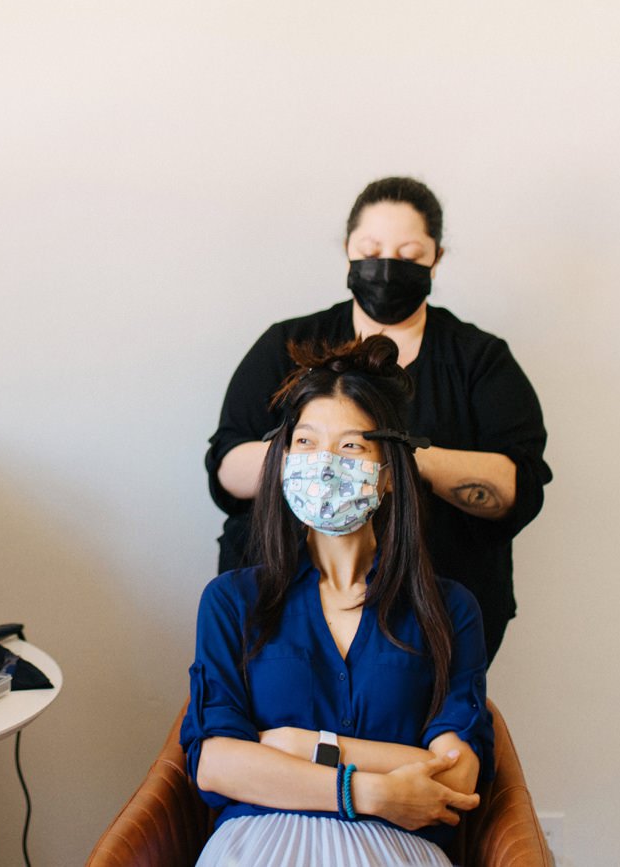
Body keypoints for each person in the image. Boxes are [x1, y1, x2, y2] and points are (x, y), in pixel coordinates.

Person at [206, 177, 548, 661]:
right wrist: (312, 457)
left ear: (437, 258)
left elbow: (520, 485)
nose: (387, 268)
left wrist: (400, 455)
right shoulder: (288, 345)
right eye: (370, 249)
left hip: (433, 614)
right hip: (280, 602)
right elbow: (225, 467)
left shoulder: (480, 360)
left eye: (408, 255)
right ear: (347, 250)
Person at [183, 336, 492, 867]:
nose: (322, 463)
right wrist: (366, 791)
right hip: (256, 844)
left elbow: (456, 776)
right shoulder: (232, 600)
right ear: (282, 462)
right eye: (304, 442)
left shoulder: (449, 609)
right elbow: (215, 763)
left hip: (397, 849)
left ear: (389, 474)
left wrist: (297, 746)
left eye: (350, 446)